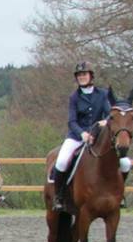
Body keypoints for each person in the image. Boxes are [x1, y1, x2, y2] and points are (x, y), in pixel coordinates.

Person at [47, 63, 116, 214]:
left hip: (99, 136)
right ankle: (59, 197)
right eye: (79, 75)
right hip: (77, 136)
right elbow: (71, 121)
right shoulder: (74, 97)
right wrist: (82, 134)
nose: (82, 77)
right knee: (62, 161)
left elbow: (109, 114)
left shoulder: (103, 94)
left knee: (124, 162)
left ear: (91, 76)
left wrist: (105, 121)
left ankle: (119, 195)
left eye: (84, 74)